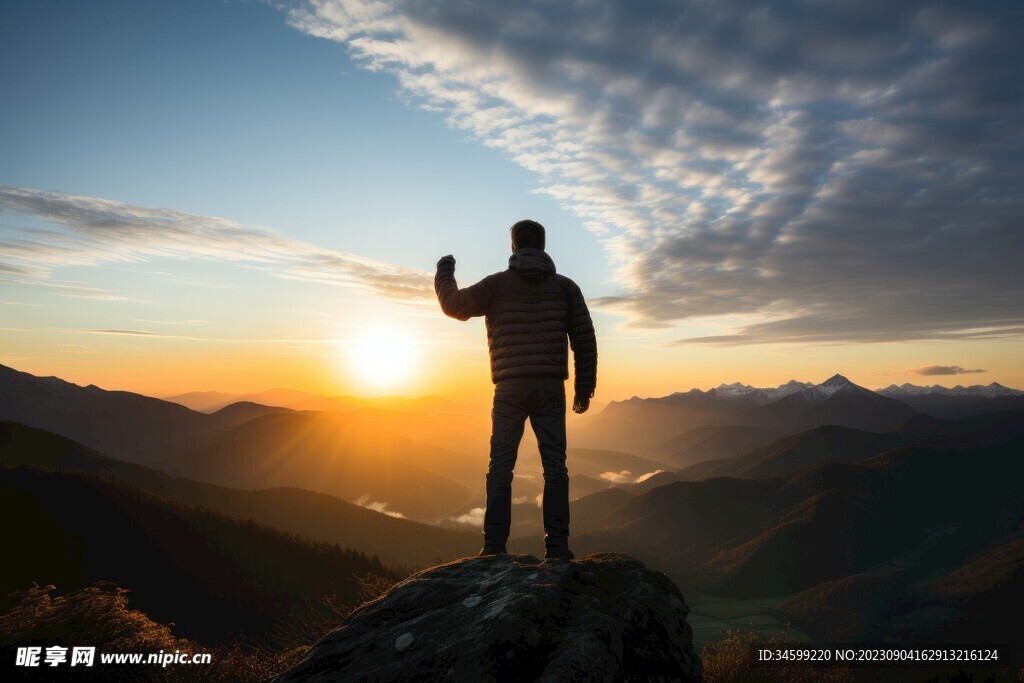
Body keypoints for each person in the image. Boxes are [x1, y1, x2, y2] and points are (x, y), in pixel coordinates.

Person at [435, 219, 597, 561]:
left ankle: (493, 548)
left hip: (509, 387)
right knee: (556, 468)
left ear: (514, 246)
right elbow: (584, 342)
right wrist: (584, 390)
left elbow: (453, 306)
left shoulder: (496, 286)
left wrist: (445, 270)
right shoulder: (566, 287)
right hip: (551, 387)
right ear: (543, 245)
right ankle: (557, 548)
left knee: (500, 467)